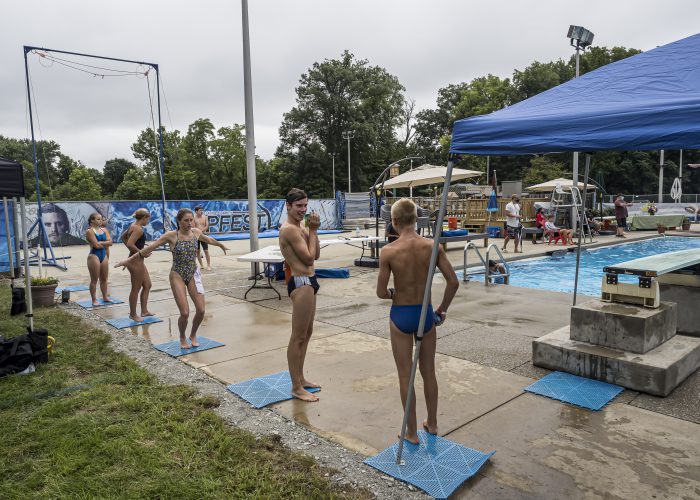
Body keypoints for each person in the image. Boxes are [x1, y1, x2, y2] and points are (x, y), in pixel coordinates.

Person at [376, 198, 459, 444]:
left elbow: (381, 292)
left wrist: (393, 293)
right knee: (428, 373)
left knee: (405, 375)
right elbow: (453, 282)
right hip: (426, 314)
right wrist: (442, 310)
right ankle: (432, 424)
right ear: (416, 220)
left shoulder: (389, 251)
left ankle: (411, 432)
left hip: (401, 314)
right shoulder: (432, 247)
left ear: (394, 222)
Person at [115, 208, 228, 348]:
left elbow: (209, 239)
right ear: (179, 222)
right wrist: (128, 260)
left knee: (201, 310)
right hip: (177, 274)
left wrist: (220, 244)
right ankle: (182, 337)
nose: (189, 223)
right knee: (185, 313)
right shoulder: (171, 235)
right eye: (186, 220)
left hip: (193, 273)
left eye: (191, 220)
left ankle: (192, 335)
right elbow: (150, 248)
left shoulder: (196, 232)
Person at [279, 188, 322, 402]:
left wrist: (313, 231)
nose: (302, 210)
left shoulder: (302, 227)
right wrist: (312, 232)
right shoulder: (289, 230)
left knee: (307, 334)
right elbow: (308, 259)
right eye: (298, 206)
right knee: (297, 337)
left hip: (311, 281)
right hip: (301, 282)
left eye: (305, 205)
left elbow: (317, 253)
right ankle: (296, 386)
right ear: (288, 206)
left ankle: (301, 378)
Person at [121, 208, 154, 322]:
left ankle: (144, 311)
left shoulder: (133, 225)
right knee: (136, 288)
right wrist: (141, 253)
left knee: (148, 285)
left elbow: (123, 238)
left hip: (137, 260)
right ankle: (133, 314)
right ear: (144, 218)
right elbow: (130, 243)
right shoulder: (138, 229)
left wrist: (138, 251)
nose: (148, 221)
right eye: (148, 219)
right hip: (135, 262)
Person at [86, 212, 114, 306]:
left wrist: (101, 243)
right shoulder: (89, 231)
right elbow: (96, 246)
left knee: (104, 279)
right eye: (98, 219)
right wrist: (105, 242)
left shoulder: (104, 230)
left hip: (104, 256)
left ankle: (105, 297)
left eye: (101, 219)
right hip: (94, 256)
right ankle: (94, 299)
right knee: (94, 280)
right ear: (92, 220)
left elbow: (111, 243)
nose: (101, 220)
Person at [193, 205, 212, 271]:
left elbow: (207, 226)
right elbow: (193, 227)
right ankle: (201, 265)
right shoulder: (194, 218)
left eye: (202, 210)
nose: (201, 211)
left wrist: (201, 231)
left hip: (203, 235)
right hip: (196, 236)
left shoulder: (205, 217)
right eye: (200, 210)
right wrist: (198, 232)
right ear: (196, 211)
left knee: (206, 250)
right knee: (198, 251)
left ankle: (209, 265)